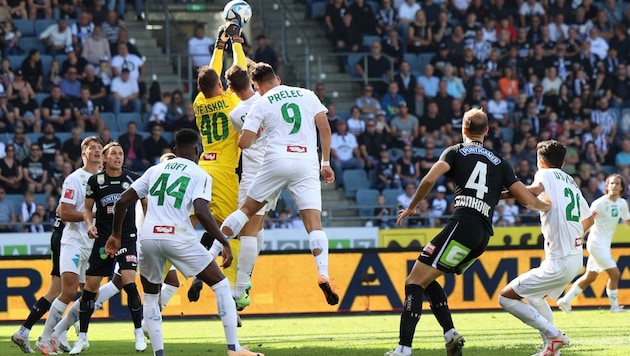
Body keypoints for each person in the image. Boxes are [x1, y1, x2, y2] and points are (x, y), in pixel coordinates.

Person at [385, 108, 551, 356]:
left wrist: (412, 206)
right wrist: (546, 206)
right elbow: (525, 198)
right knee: (427, 279)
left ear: (463, 129)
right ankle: (451, 334)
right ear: (486, 130)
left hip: (463, 223)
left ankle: (403, 349)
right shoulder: (500, 162)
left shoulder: (455, 152)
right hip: (483, 234)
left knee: (412, 283)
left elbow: (430, 179)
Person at [104, 129, 263, 356]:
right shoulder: (200, 174)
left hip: (148, 238)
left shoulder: (154, 170)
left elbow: (122, 201)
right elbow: (201, 210)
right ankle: (234, 349)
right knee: (220, 285)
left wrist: (116, 235)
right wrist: (223, 241)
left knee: (150, 295)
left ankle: (159, 353)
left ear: (175, 150)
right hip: (178, 236)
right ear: (197, 151)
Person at [219, 62, 339, 306]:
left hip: (274, 162)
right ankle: (323, 272)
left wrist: (253, 133)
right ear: (278, 78)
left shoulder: (260, 102)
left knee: (246, 214)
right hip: (306, 161)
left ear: (257, 86)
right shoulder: (307, 94)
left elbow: (244, 143)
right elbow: (324, 127)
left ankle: (212, 255)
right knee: (314, 224)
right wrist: (325, 162)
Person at [498, 140, 595, 356]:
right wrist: (575, 237)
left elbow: (531, 191)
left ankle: (555, 335)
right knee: (534, 297)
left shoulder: (545, 174)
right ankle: (552, 350)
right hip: (574, 258)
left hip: (559, 261)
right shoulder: (570, 181)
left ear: (540, 160)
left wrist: (499, 194)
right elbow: (589, 219)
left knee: (505, 297)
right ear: (563, 161)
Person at [187, 23, 248, 302]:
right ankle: (231, 287)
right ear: (223, 86)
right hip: (224, 171)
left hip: (203, 167)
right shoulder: (230, 104)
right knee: (232, 228)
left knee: (207, 224)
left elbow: (210, 75)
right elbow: (242, 74)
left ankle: (197, 271)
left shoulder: (199, 103)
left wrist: (218, 45)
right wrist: (236, 42)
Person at [68, 142, 146, 354]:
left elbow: (145, 202)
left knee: (129, 284)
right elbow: (86, 208)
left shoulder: (132, 178)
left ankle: (139, 332)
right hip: (102, 240)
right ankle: (82, 337)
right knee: (89, 290)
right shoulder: (95, 181)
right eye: (113, 154)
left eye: (120, 153)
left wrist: (146, 225)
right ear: (104, 158)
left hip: (127, 238)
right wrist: (89, 224)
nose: (118, 157)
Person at [35, 136, 103, 355]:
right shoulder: (75, 179)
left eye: (99, 148)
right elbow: (64, 212)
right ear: (84, 153)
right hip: (73, 241)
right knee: (68, 290)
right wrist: (93, 216)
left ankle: (59, 333)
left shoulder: (104, 180)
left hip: (93, 244)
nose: (97, 151)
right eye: (92, 148)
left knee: (91, 296)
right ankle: (45, 338)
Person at [223, 63, 267, 310]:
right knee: (259, 226)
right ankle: (247, 278)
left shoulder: (236, 114)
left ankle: (239, 287)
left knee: (247, 230)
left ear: (230, 87)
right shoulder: (267, 100)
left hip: (252, 175)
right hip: (273, 170)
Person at [557, 173, 630, 313]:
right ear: (607, 186)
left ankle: (565, 300)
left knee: (590, 277)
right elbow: (587, 220)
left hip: (605, 245)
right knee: (615, 273)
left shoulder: (622, 204)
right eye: (611, 183)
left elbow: (628, 221)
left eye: (617, 184)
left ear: (622, 188)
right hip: (596, 244)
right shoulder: (600, 203)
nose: (614, 186)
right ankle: (614, 306)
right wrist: (578, 236)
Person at [11, 206, 65, 352]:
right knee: (68, 291)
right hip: (65, 240)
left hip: (64, 238)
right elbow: (61, 211)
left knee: (59, 292)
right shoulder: (78, 184)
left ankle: (26, 332)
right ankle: (56, 335)